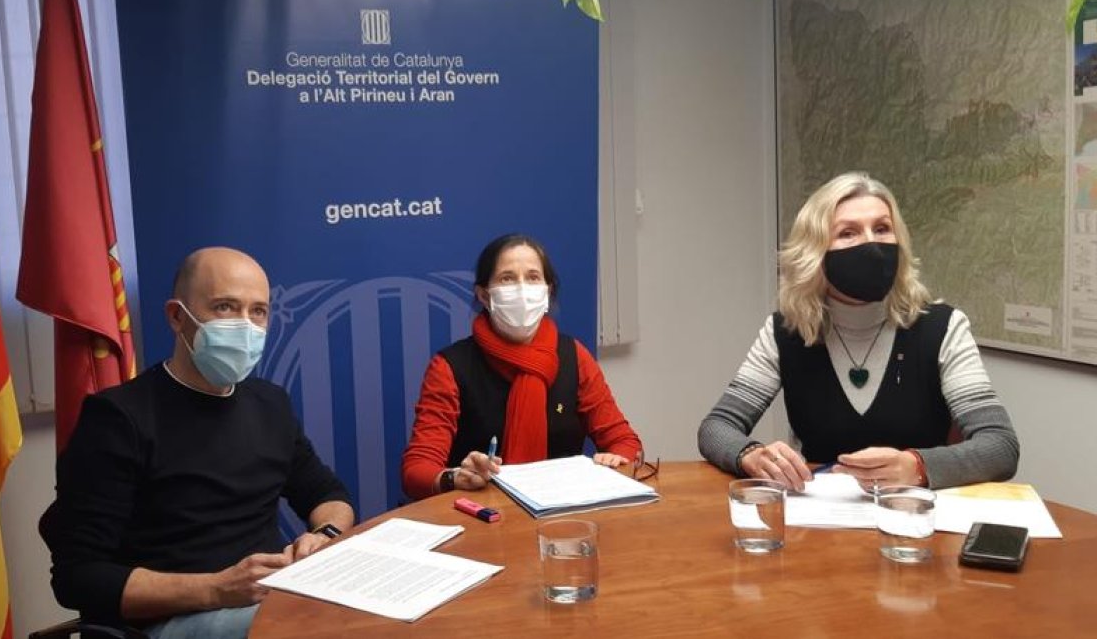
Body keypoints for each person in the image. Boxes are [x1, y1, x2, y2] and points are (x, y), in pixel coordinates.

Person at [40, 247, 354, 638]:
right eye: (225, 307)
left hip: (273, 598)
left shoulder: (270, 403)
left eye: (258, 311)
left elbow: (329, 494)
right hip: (174, 619)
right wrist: (216, 589)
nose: (246, 325)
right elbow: (78, 577)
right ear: (177, 317)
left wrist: (323, 535)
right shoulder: (118, 419)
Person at [698, 172, 1019, 492]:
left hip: (914, 523)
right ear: (815, 253)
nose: (870, 244)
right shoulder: (787, 333)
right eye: (848, 233)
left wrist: (918, 466)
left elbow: (1000, 445)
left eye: (881, 229)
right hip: (819, 523)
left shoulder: (942, 327)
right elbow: (717, 427)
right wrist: (751, 455)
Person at [401, 233, 644, 500]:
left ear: (547, 291)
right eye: (507, 278)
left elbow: (625, 442)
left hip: (563, 511)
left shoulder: (574, 355)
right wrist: (454, 477)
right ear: (484, 295)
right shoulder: (450, 367)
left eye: (532, 277)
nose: (522, 289)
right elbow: (416, 471)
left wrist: (615, 460)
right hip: (482, 516)